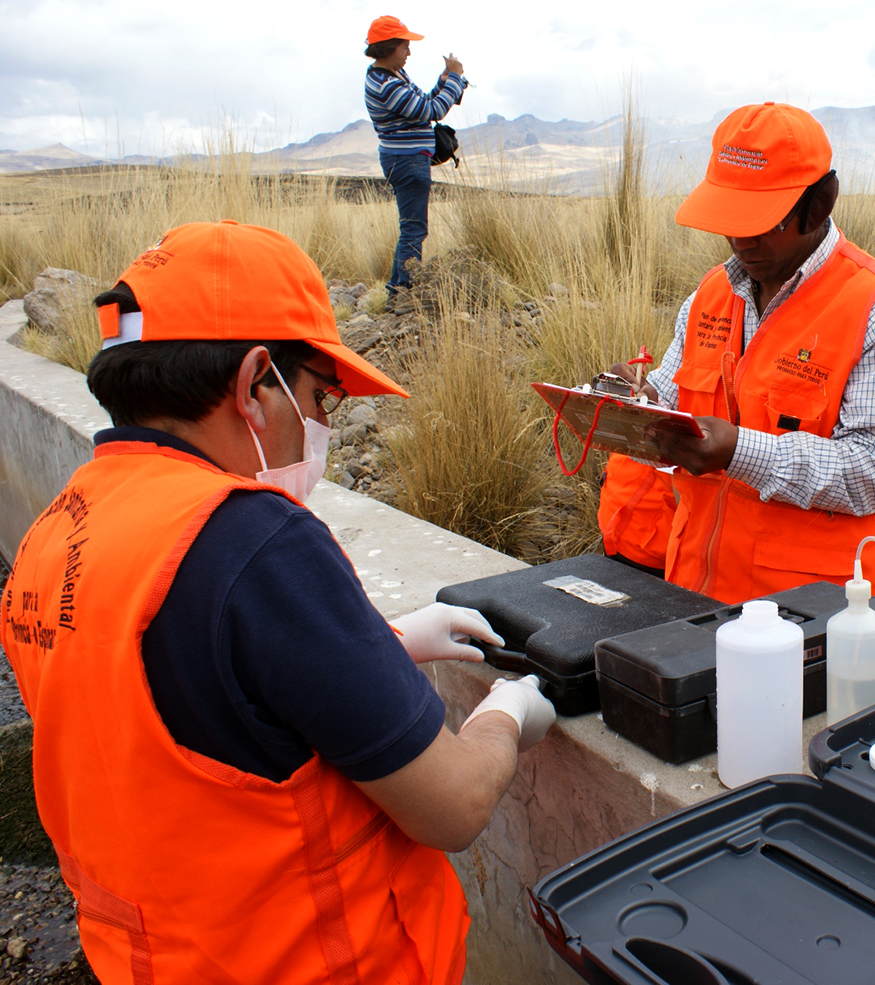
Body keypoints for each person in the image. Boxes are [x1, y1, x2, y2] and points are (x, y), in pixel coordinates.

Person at [0, 220, 557, 982]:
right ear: (256, 382)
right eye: (319, 396)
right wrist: (506, 716)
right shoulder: (257, 542)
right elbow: (453, 804)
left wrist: (382, 644)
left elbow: (186, 700)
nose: (322, 425)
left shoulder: (60, 529)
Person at [613, 102, 875, 650]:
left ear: (821, 203)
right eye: (730, 222)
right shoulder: (711, 295)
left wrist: (739, 452)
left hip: (820, 630)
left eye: (761, 222)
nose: (742, 242)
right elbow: (671, 392)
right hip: (696, 605)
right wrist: (636, 403)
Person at [363, 15, 467, 298]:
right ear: (388, 47)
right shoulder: (387, 85)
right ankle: (402, 292)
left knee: (412, 227)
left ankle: (401, 288)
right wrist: (455, 79)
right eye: (404, 46)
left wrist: (444, 81)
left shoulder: (391, 77)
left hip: (408, 159)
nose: (409, 52)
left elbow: (423, 101)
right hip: (408, 162)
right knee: (413, 229)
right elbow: (431, 111)